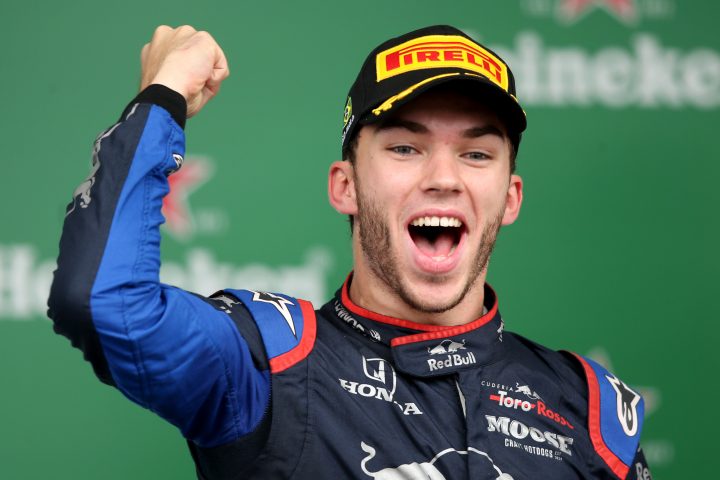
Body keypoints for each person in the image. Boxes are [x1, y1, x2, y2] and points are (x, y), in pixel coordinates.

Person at [48, 24, 652, 480]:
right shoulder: (267, 362)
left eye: (476, 154)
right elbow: (102, 302)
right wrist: (162, 97)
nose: (444, 177)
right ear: (345, 186)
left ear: (510, 196)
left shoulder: (593, 410)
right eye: (405, 148)